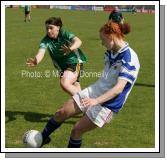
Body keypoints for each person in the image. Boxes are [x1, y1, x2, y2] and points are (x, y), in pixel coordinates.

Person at [39, 21, 140, 148]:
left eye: (103, 40)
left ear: (111, 37)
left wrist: (95, 101)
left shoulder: (129, 58)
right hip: (94, 91)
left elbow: (118, 89)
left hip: (109, 104)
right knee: (61, 113)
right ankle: (41, 139)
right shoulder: (109, 52)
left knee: (76, 130)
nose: (102, 43)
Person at [26, 17, 87, 96]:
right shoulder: (45, 40)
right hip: (62, 67)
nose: (48, 31)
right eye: (47, 28)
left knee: (64, 83)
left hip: (74, 62)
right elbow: (41, 52)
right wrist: (36, 60)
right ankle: (85, 106)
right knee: (75, 86)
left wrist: (70, 49)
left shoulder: (65, 34)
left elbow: (78, 41)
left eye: (51, 28)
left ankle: (87, 101)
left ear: (58, 27)